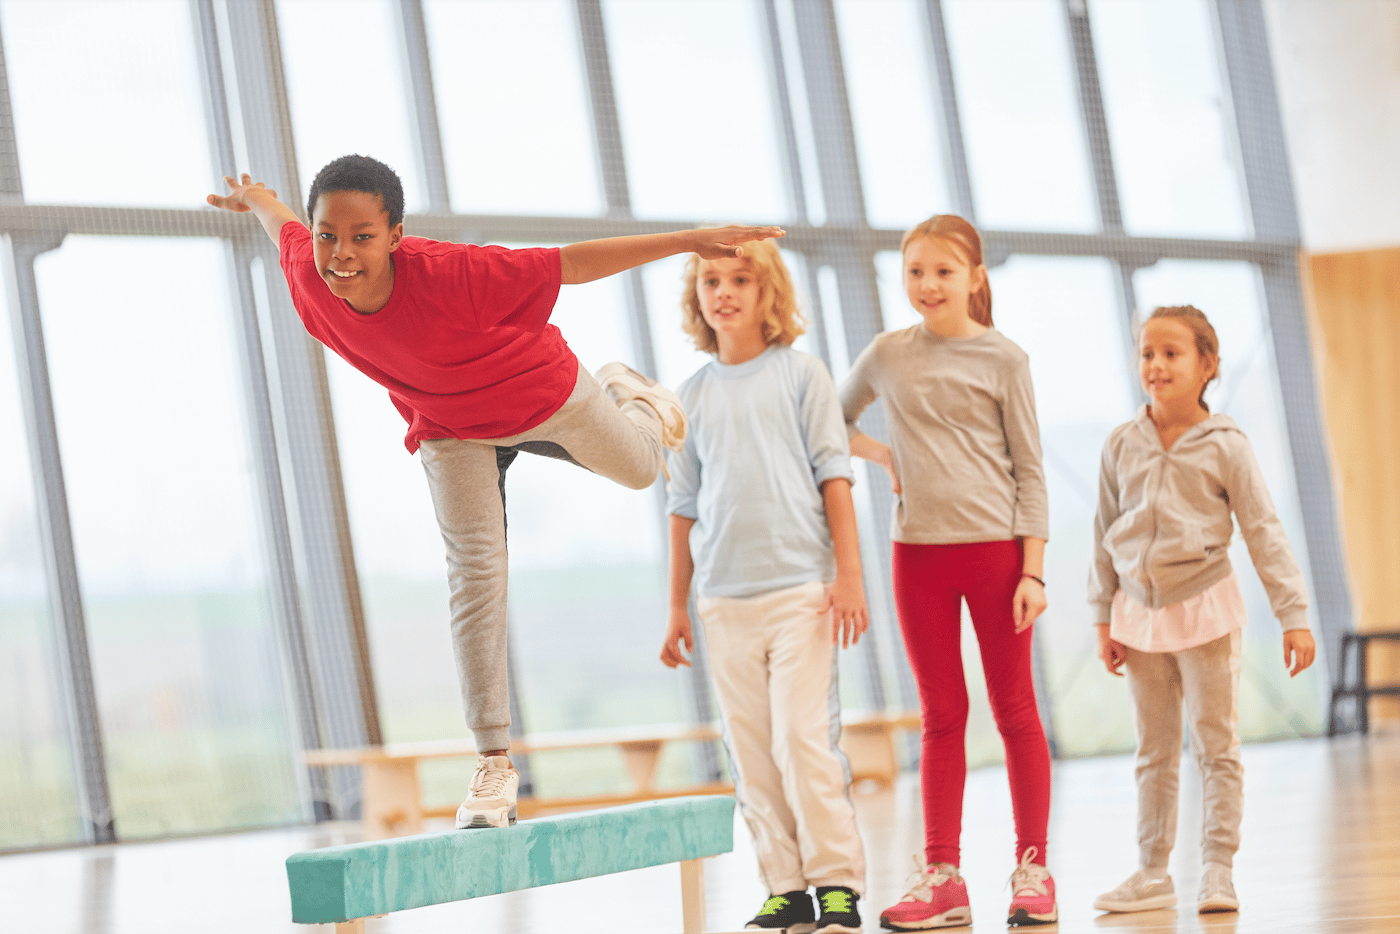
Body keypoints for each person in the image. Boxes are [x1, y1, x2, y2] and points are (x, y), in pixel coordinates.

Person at [206, 155, 783, 829]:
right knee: (475, 573)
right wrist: (259, 199)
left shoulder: (456, 274)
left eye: (362, 236)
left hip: (538, 392)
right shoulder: (307, 271)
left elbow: (572, 263)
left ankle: (632, 395)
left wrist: (686, 241)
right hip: (450, 427)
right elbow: (284, 227)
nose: (341, 254)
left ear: (395, 234)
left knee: (641, 470)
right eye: (329, 234)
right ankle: (493, 764)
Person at [839, 215, 1056, 928]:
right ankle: (943, 876)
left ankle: (1033, 869)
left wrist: (1034, 572)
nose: (928, 286)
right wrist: (882, 456)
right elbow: (831, 422)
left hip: (998, 556)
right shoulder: (886, 354)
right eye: (915, 273)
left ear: (975, 278)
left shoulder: (1006, 360)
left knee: (1015, 709)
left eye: (943, 272)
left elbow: (1030, 470)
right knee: (941, 716)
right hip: (916, 557)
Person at [660, 239, 868, 934]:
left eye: (740, 279)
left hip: (802, 592)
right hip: (723, 601)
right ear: (699, 297)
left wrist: (849, 578)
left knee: (803, 740)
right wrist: (676, 608)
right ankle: (786, 888)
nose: (725, 292)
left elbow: (834, 476)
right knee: (749, 749)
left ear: (765, 291)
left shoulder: (802, 375)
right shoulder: (688, 398)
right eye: (712, 280)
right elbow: (682, 508)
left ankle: (836, 883)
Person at [1088, 305, 1315, 916]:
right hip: (1137, 617)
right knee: (1153, 750)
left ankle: (1218, 868)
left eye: (1172, 353)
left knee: (1216, 746)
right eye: (1147, 354)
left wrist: (1292, 613)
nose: (1156, 366)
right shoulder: (1121, 444)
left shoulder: (1227, 446)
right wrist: (1103, 616)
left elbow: (1263, 529)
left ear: (1207, 364)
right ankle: (1152, 871)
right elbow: (1104, 531)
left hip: (1206, 609)